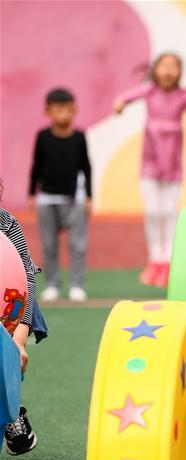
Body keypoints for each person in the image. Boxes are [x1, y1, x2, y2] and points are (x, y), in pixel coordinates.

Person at [114, 52, 186, 288]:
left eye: (173, 66)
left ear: (180, 71)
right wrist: (120, 103)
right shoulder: (150, 91)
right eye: (163, 65)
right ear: (155, 69)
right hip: (151, 159)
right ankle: (154, 258)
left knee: (169, 211)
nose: (167, 71)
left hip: (172, 162)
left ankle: (168, 260)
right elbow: (126, 96)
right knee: (153, 211)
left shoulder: (183, 96)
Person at [27, 88, 92, 302]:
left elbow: (86, 167)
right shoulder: (43, 137)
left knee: (78, 245)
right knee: (48, 245)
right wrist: (31, 193)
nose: (62, 113)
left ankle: (77, 285)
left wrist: (89, 197)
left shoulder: (80, 137)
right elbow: (36, 166)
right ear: (47, 111)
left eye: (67, 109)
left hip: (75, 200)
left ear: (74, 110)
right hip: (47, 199)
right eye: (57, 109)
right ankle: (52, 285)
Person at [1, 180, 50, 456]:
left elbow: (26, 280)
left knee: (9, 354)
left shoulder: (6, 224)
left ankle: (10, 409)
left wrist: (19, 337)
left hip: (7, 305)